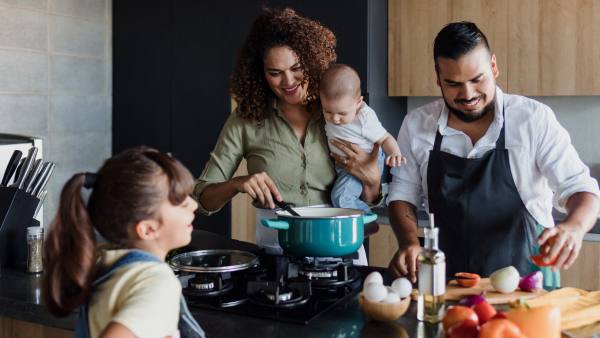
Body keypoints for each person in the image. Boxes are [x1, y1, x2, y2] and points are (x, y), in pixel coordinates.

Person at [387, 22, 600, 287]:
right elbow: (402, 194)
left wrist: (574, 227)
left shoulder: (532, 119)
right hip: (448, 285)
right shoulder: (417, 125)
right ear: (438, 77)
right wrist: (408, 243)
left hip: (526, 285)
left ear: (494, 67)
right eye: (453, 84)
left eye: (477, 80)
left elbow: (582, 189)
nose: (467, 94)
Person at [193, 8, 382, 264]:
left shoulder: (340, 113)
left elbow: (365, 195)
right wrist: (238, 183)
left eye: (297, 68)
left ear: (313, 61)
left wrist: (372, 183)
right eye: (275, 73)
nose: (288, 81)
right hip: (277, 254)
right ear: (260, 73)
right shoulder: (246, 120)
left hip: (341, 247)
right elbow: (203, 198)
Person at [43, 147, 205, 338]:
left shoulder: (106, 265)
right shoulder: (155, 281)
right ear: (147, 229)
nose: (194, 205)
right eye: (182, 203)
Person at [320, 64, 406, 212]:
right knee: (346, 197)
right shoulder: (334, 107)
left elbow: (385, 138)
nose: (334, 118)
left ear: (358, 103)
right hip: (344, 164)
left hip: (365, 161)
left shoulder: (364, 119)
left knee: (340, 198)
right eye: (328, 111)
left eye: (342, 113)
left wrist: (394, 153)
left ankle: (366, 216)